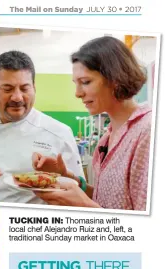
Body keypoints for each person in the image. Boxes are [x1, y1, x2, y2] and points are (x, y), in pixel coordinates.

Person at [0, 51, 84, 207]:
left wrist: (56, 179)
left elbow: (78, 196)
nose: (17, 97)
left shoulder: (59, 133)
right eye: (8, 89)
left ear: (34, 87)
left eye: (25, 89)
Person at [35, 37, 150, 211]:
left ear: (115, 77)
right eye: (76, 84)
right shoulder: (107, 138)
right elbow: (108, 200)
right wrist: (66, 177)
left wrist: (84, 205)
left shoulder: (147, 133)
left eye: (86, 82)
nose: (77, 93)